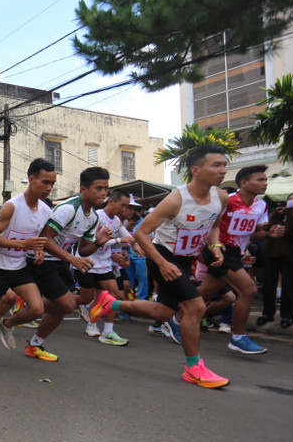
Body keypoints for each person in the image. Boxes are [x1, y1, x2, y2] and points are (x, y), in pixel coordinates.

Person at [91, 144, 231, 388]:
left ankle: (109, 303)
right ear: (196, 170)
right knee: (195, 306)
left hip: (185, 259)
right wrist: (162, 262)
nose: (223, 170)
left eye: (224, 165)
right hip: (164, 256)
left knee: (162, 312)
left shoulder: (221, 197)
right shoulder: (175, 199)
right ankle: (193, 367)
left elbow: (213, 225)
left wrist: (216, 245)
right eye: (216, 165)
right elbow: (141, 232)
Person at [0, 166, 111, 362]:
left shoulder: (93, 216)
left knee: (71, 304)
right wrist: (72, 259)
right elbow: (45, 240)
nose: (103, 193)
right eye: (98, 188)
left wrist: (98, 243)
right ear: (84, 189)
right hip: (41, 261)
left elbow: (83, 249)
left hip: (60, 263)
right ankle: (10, 321)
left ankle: (34, 343)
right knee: (65, 304)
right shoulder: (68, 209)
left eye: (106, 189)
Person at [0, 158, 54, 363]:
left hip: (19, 267)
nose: (49, 188)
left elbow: (39, 241)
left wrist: (39, 250)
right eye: (45, 182)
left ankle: (8, 323)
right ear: (31, 179)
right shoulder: (12, 206)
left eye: (52, 183)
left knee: (37, 308)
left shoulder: (46, 211)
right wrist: (22, 245)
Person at [198, 165, 278, 353]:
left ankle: (171, 318)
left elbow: (255, 234)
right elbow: (208, 225)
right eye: (260, 180)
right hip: (219, 249)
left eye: (265, 180)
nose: (265, 183)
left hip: (236, 253)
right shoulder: (227, 201)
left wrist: (270, 233)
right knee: (248, 290)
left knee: (205, 292)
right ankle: (238, 337)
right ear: (244, 183)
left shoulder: (261, 205)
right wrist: (212, 247)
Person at [77, 189, 135, 345]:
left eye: (127, 206)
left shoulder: (117, 220)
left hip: (105, 264)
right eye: (122, 205)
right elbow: (94, 243)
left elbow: (128, 238)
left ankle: (108, 331)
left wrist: (136, 246)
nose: (124, 209)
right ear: (111, 201)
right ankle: (88, 314)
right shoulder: (96, 217)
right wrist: (118, 241)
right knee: (89, 297)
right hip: (87, 261)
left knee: (113, 295)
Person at [259, 191, 293, 329]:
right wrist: (276, 216)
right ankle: (267, 314)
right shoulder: (281, 215)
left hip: (290, 256)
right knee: (269, 284)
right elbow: (267, 228)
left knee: (289, 286)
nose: (291, 201)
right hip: (271, 254)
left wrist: (290, 216)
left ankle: (288, 316)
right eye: (290, 199)